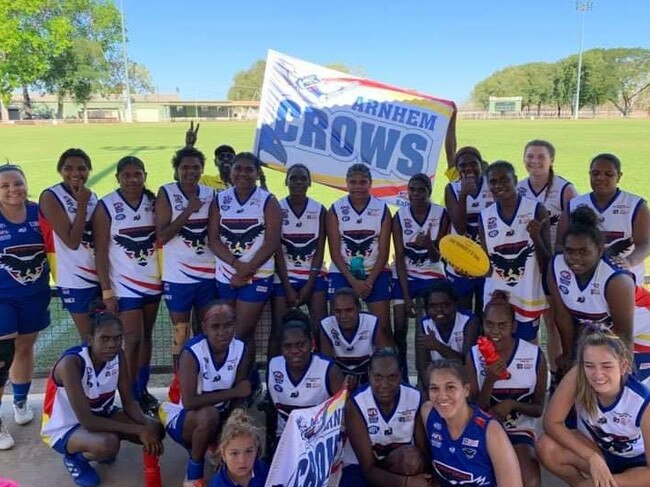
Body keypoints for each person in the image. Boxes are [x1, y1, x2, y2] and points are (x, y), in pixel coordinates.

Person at [41, 302, 164, 487]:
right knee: (108, 444)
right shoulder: (71, 364)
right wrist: (139, 430)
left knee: (156, 429)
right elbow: (88, 421)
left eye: (117, 338)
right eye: (105, 339)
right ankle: (76, 459)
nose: (112, 345)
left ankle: (101, 448)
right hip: (66, 427)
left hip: (102, 415)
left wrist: (146, 427)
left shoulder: (118, 355)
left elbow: (128, 402)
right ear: (90, 339)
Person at [548, 206, 650, 383]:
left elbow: (623, 335)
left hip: (641, 332)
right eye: (569, 250)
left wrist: (619, 376)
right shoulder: (556, 266)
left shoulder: (616, 280)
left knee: (623, 386)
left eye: (584, 252)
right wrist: (569, 355)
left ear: (600, 250)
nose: (575, 258)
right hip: (606, 328)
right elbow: (563, 317)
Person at [537, 329, 650, 487]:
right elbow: (551, 422)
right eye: (589, 365)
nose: (598, 374)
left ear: (623, 365)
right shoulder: (578, 376)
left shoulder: (642, 401)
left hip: (636, 464)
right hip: (600, 452)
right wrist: (592, 457)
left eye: (606, 366)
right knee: (546, 446)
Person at [93, 156, 162, 414]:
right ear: (118, 178)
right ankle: (129, 395)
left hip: (153, 284)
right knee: (131, 340)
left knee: (146, 338)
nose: (132, 180)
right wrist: (107, 290)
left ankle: (141, 390)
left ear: (145, 176)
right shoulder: (106, 206)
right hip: (125, 286)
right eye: (127, 175)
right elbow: (100, 251)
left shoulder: (153, 203)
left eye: (137, 174)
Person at [159, 301, 252, 487]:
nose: (222, 332)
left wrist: (233, 425)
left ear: (234, 325)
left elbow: (240, 397)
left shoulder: (241, 349)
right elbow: (190, 401)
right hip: (181, 414)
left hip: (217, 412)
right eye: (215, 326)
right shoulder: (192, 352)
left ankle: (213, 445)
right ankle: (193, 474)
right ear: (204, 328)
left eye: (227, 325)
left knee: (242, 423)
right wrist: (233, 392)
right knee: (208, 416)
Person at [467, 291, 547, 487]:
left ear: (514, 326)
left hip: (519, 430)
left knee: (531, 481)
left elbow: (538, 410)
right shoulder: (474, 355)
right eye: (490, 325)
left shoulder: (534, 356)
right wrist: (490, 380)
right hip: (483, 428)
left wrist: (511, 404)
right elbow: (473, 409)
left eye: (502, 325)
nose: (495, 332)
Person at [517, 139, 578, 389]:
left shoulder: (565, 189)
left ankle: (556, 375)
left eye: (541, 156)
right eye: (530, 156)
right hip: (526, 266)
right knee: (530, 322)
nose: (535, 161)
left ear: (551, 159)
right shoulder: (518, 188)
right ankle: (530, 375)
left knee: (553, 324)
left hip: (555, 264)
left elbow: (576, 228)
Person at [208, 152, 281, 353]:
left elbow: (272, 241)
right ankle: (246, 380)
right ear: (230, 172)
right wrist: (235, 265)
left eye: (249, 169)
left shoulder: (268, 201)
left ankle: (244, 381)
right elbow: (213, 239)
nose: (243, 173)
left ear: (257, 173)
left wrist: (247, 270)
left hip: (257, 276)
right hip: (226, 275)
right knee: (232, 334)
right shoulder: (220, 200)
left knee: (240, 333)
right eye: (238, 168)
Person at [0, 164, 51, 449]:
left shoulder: (37, 213)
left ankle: (20, 402)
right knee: (2, 354)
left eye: (17, 183)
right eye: (4, 186)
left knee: (24, 347)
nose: (12, 190)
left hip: (35, 294)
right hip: (2, 298)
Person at [155, 147, 216, 368]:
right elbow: (163, 235)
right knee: (181, 332)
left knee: (207, 329)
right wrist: (189, 210)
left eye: (196, 167)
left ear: (202, 169)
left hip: (208, 273)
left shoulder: (211, 194)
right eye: (185, 167)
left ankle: (205, 376)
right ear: (177, 169)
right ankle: (180, 383)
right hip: (178, 276)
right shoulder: (167, 193)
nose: (191, 172)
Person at [478, 161, 551, 342]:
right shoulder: (485, 216)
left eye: (504, 180)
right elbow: (487, 266)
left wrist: (536, 236)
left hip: (527, 293)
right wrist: (470, 266)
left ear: (516, 180)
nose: (499, 185)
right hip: (496, 293)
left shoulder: (536, 210)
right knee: (497, 345)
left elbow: (547, 261)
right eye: (493, 181)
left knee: (527, 346)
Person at [422, 359, 523, 487]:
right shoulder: (428, 413)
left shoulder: (491, 431)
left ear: (466, 390)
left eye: (450, 387)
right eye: (434, 388)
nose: (442, 396)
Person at [556, 153, 649, 287]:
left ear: (619, 176)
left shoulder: (636, 205)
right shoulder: (574, 204)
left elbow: (645, 244)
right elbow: (560, 244)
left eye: (608, 174)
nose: (601, 178)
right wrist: (574, 261)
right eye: (595, 173)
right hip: (585, 278)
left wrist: (629, 262)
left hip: (625, 279)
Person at [341, 348, 430, 487]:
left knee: (412, 460)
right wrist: (407, 483)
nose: (384, 385)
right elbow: (368, 469)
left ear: (400, 374)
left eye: (392, 377)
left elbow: (423, 453)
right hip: (360, 467)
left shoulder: (416, 397)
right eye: (378, 377)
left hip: (397, 463)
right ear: (369, 374)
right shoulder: (356, 403)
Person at [327, 163, 392, 344]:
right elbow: (334, 253)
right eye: (353, 182)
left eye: (362, 182)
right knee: (338, 327)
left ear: (370, 183)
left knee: (383, 328)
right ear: (346, 184)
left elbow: (384, 253)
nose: (358, 187)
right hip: (343, 272)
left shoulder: (382, 209)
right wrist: (354, 282)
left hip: (375, 273)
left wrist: (368, 282)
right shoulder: (336, 209)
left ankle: (387, 368)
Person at [392, 173, 449, 376]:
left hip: (432, 275)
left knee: (424, 330)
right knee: (399, 328)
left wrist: (428, 244)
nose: (416, 194)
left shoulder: (441, 214)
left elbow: (437, 257)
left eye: (421, 190)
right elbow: (399, 257)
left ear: (429, 192)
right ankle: (401, 375)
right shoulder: (400, 216)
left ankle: (423, 375)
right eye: (412, 190)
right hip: (406, 276)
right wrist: (407, 298)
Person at [39, 148, 99, 339]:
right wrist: (81, 204)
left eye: (82, 168)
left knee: (105, 333)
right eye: (68, 168)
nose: (76, 173)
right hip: (74, 277)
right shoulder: (51, 196)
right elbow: (72, 241)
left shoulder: (91, 196)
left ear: (89, 170)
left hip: (98, 274)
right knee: (89, 337)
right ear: (60, 170)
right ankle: (88, 369)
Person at [267, 310, 343, 456]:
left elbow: (344, 414)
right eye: (288, 346)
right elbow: (272, 410)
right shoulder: (274, 366)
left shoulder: (329, 369)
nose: (294, 350)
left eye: (300, 344)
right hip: (286, 438)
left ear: (312, 343)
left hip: (321, 439)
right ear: (281, 347)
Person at [271, 164, 327, 356]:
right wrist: (287, 286)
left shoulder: (319, 210)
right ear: (286, 181)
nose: (298, 182)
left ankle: (323, 372)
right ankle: (275, 375)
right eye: (294, 178)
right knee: (279, 329)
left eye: (303, 178)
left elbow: (319, 249)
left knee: (321, 327)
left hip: (312, 275)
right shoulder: (277, 208)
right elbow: (276, 250)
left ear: (310, 182)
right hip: (284, 276)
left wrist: (309, 283)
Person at [444, 146, 493, 314]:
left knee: (483, 309)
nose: (468, 168)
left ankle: (482, 341)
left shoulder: (491, 185)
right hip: (461, 258)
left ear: (481, 165)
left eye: (473, 164)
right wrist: (464, 195)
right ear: (457, 169)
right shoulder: (452, 188)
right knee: (462, 311)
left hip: (486, 257)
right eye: (463, 165)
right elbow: (459, 227)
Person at [319, 288, 388, 388]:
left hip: (368, 375)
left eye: (349, 310)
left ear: (359, 308)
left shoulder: (371, 322)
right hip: (339, 376)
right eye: (338, 311)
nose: (343, 316)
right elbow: (326, 364)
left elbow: (384, 357)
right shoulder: (327, 325)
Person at [415, 281, 479, 386]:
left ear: (455, 304)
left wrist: (437, 346)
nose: (439, 310)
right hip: (436, 379)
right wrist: (432, 392)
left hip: (462, 379)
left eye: (445, 305)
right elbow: (422, 367)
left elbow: (467, 364)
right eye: (433, 306)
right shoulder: (424, 324)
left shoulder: (469, 321)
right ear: (427, 309)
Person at [209, 409, 268, 487]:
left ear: (256, 450)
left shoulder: (266, 471)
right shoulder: (218, 484)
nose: (242, 460)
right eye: (234, 453)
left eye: (249, 451)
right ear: (223, 454)